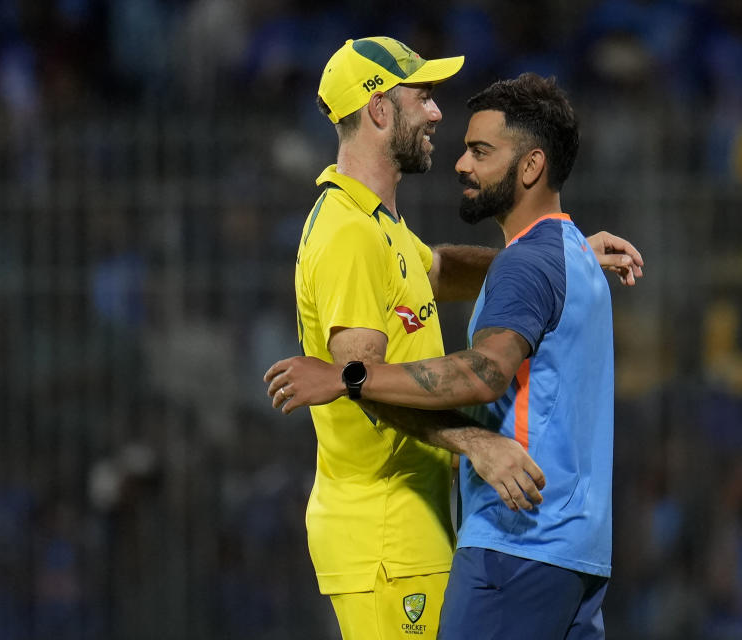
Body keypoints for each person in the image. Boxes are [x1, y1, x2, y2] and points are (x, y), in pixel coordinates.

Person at [272, 36, 643, 640]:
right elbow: (364, 386)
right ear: (379, 110)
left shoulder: (378, 223)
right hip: (382, 532)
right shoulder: (347, 234)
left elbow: (439, 268)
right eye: (422, 97)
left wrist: (562, 255)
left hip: (419, 518)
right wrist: (477, 442)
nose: (437, 114)